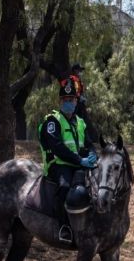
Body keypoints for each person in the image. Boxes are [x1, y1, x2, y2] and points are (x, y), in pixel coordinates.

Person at [38, 76, 97, 243]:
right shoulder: (53, 120)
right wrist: (80, 160)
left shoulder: (80, 122)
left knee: (96, 185)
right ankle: (63, 226)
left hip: (78, 163)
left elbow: (88, 143)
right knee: (65, 187)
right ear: (60, 101)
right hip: (59, 164)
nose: (68, 102)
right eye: (65, 99)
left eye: (71, 99)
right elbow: (57, 147)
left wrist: (93, 153)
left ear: (76, 101)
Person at [69, 63, 99, 141]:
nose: (80, 72)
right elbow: (74, 92)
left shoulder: (78, 80)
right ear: (75, 70)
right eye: (79, 70)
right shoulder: (72, 79)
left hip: (80, 103)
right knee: (75, 120)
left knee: (81, 121)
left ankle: (84, 138)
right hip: (75, 104)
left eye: (81, 71)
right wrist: (79, 98)